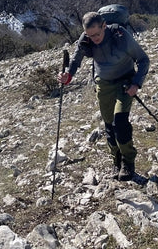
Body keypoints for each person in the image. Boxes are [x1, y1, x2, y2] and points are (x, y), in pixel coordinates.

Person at [57, 11, 150, 181]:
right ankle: (116, 160)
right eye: (90, 35)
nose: (94, 39)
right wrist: (67, 76)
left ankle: (128, 162)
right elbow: (76, 60)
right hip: (104, 84)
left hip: (125, 83)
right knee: (109, 126)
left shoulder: (120, 35)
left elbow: (143, 60)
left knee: (120, 122)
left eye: (97, 34)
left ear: (104, 26)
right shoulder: (86, 39)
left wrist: (136, 83)